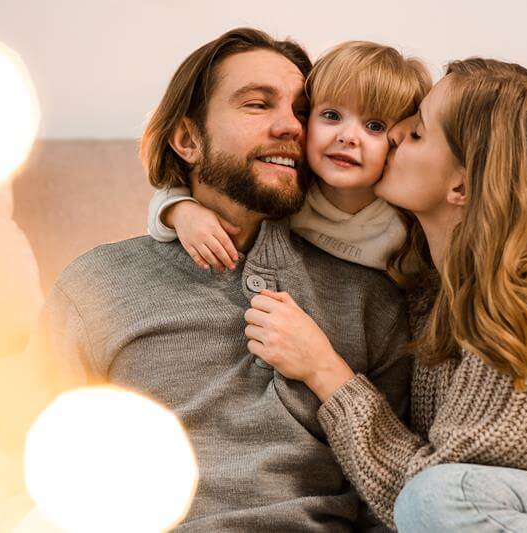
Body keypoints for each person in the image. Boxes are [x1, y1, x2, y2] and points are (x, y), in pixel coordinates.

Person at [239, 58, 527, 531]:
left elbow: (436, 487)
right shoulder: (432, 290)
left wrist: (325, 371)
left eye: (417, 132)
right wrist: (184, 210)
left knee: (442, 495)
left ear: (461, 183)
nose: (393, 136)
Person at [29, 28, 412, 531]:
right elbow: (26, 470)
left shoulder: (372, 294)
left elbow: (394, 498)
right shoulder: (95, 286)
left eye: (302, 111)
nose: (292, 127)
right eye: (257, 105)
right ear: (188, 139)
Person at [147, 40, 431, 275]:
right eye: (331, 116)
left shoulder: (408, 214)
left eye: (375, 126)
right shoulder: (293, 196)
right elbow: (168, 193)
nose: (348, 137)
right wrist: (181, 212)